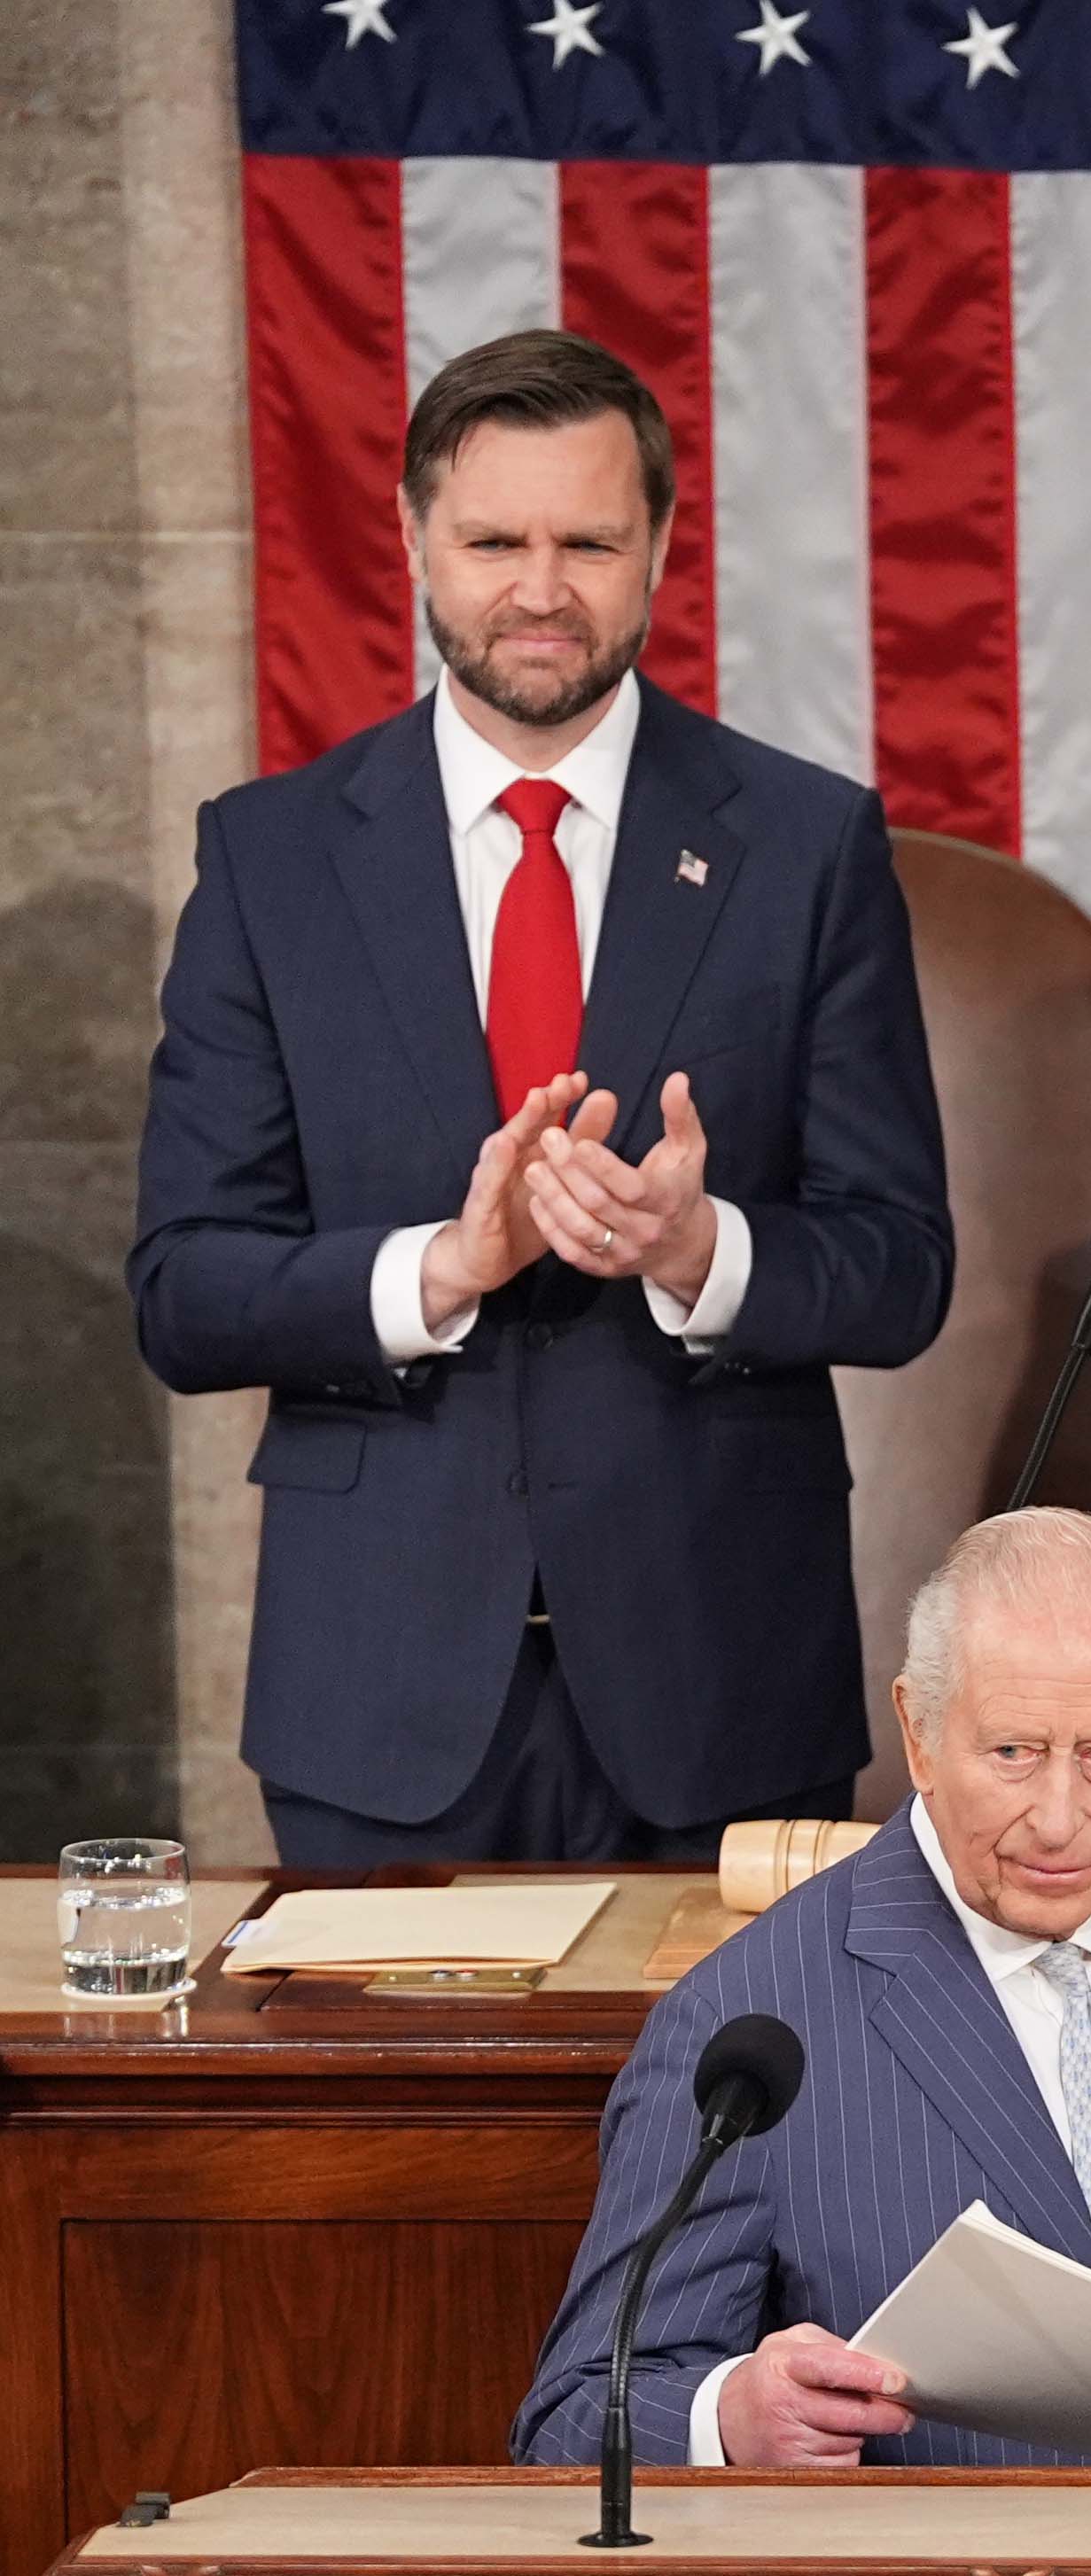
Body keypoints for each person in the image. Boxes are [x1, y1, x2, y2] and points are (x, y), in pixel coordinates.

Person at [129, 331, 951, 1864]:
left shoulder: (804, 843)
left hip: (721, 1682)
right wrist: (441, 1268)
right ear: (411, 540)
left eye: (588, 541)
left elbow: (900, 1267)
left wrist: (699, 1250)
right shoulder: (269, 858)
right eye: (494, 541)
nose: (541, 589)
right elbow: (184, 1291)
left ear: (660, 545)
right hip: (379, 1702)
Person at [516, 1508, 1091, 2576]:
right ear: (918, 1735)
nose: (1057, 1819)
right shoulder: (749, 2015)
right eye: (1013, 1753)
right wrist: (734, 2418)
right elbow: (571, 2424)